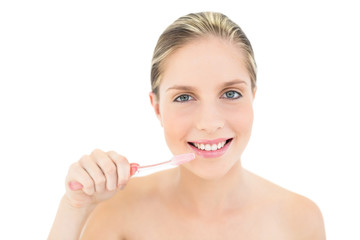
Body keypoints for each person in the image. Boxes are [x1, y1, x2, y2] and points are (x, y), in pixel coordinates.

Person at [48, 12, 326, 239]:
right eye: (184, 97)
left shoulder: (300, 220)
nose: (210, 123)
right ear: (156, 107)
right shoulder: (116, 210)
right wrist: (74, 207)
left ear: (252, 96)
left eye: (230, 94)